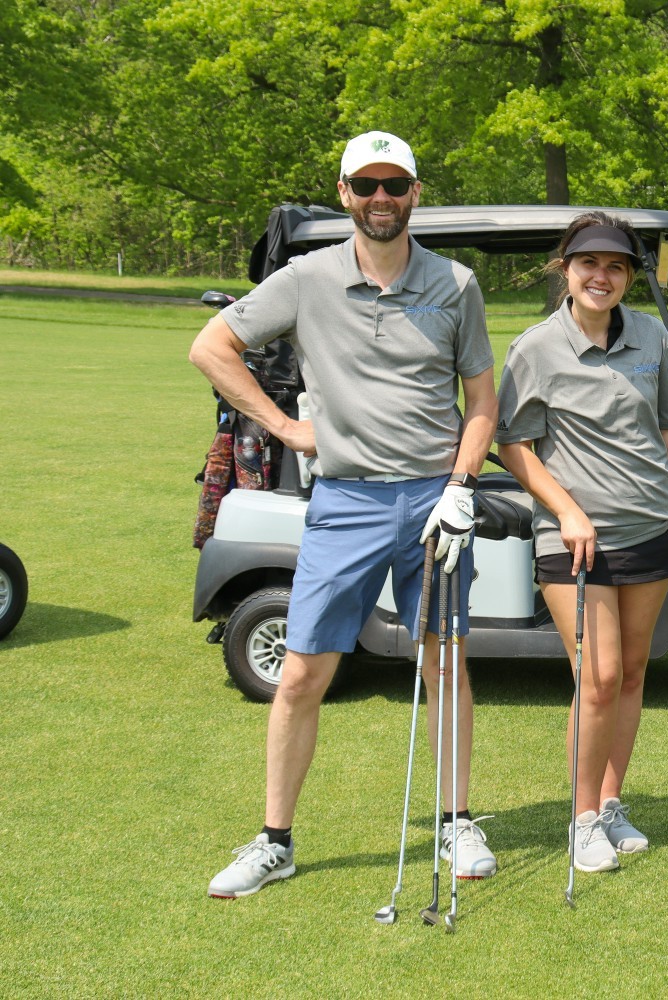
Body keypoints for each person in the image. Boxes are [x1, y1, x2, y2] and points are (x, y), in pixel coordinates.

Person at [190, 130, 500, 898]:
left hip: (433, 497)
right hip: (345, 500)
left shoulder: (455, 284)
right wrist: (288, 427)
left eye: (395, 185)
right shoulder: (305, 279)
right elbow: (212, 347)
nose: (381, 199)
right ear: (345, 193)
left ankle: (458, 821)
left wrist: (461, 484)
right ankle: (275, 841)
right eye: (366, 186)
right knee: (301, 674)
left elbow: (482, 403)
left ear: (416, 194)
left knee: (445, 663)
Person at [495, 213, 668, 873]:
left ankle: (611, 801)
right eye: (589, 263)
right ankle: (583, 818)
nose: (602, 276)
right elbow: (511, 445)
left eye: (616, 266)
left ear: (629, 276)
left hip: (650, 527)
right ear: (565, 269)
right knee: (595, 679)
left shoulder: (648, 334)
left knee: (630, 675)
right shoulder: (535, 347)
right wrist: (564, 509)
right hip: (575, 544)